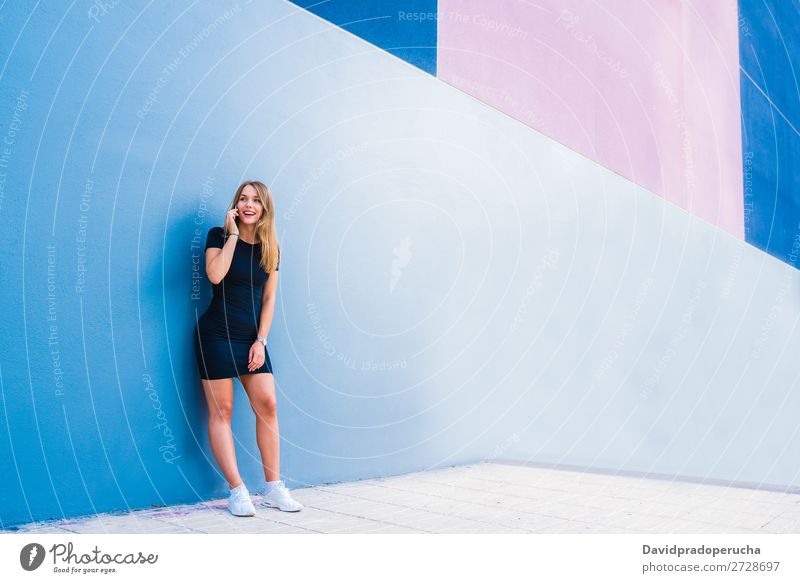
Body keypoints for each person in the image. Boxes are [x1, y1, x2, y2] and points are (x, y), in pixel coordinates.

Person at [194, 180, 303, 516]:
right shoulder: (218, 235)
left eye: (256, 200)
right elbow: (215, 275)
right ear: (235, 205)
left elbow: (269, 298)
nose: (248, 205)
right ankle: (237, 490)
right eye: (243, 199)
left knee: (268, 405)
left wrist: (261, 340)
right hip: (214, 336)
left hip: (251, 339)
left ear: (265, 207)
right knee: (222, 411)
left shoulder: (272, 247)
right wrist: (232, 236)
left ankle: (273, 488)